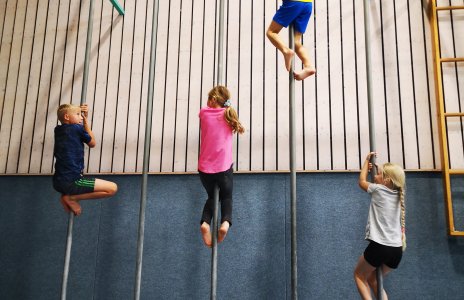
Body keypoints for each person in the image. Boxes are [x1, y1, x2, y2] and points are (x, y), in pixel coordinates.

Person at [354, 152, 406, 300]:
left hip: (380, 247)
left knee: (359, 275)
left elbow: (362, 181)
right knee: (374, 279)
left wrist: (366, 162)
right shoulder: (398, 195)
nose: (375, 175)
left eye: (379, 174)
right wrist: (377, 169)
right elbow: (381, 180)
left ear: (386, 180)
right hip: (396, 251)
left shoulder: (379, 190)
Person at [198, 86, 245, 247]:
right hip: (224, 168)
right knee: (226, 197)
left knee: (212, 197)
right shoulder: (228, 115)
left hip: (204, 170)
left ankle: (205, 223)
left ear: (212, 99)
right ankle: (225, 223)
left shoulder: (203, 113)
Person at [53, 104, 118, 216]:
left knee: (110, 188)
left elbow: (70, 118)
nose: (81, 117)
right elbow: (92, 143)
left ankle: (69, 196)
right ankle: (71, 198)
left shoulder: (58, 130)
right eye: (78, 115)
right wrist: (86, 122)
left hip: (58, 181)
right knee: (112, 188)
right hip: (73, 181)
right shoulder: (76, 128)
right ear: (67, 117)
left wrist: (78, 112)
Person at [266, 0, 316, 80]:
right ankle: (309, 66)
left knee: (271, 32)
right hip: (308, 4)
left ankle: (286, 50)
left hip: (293, 3)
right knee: (296, 42)